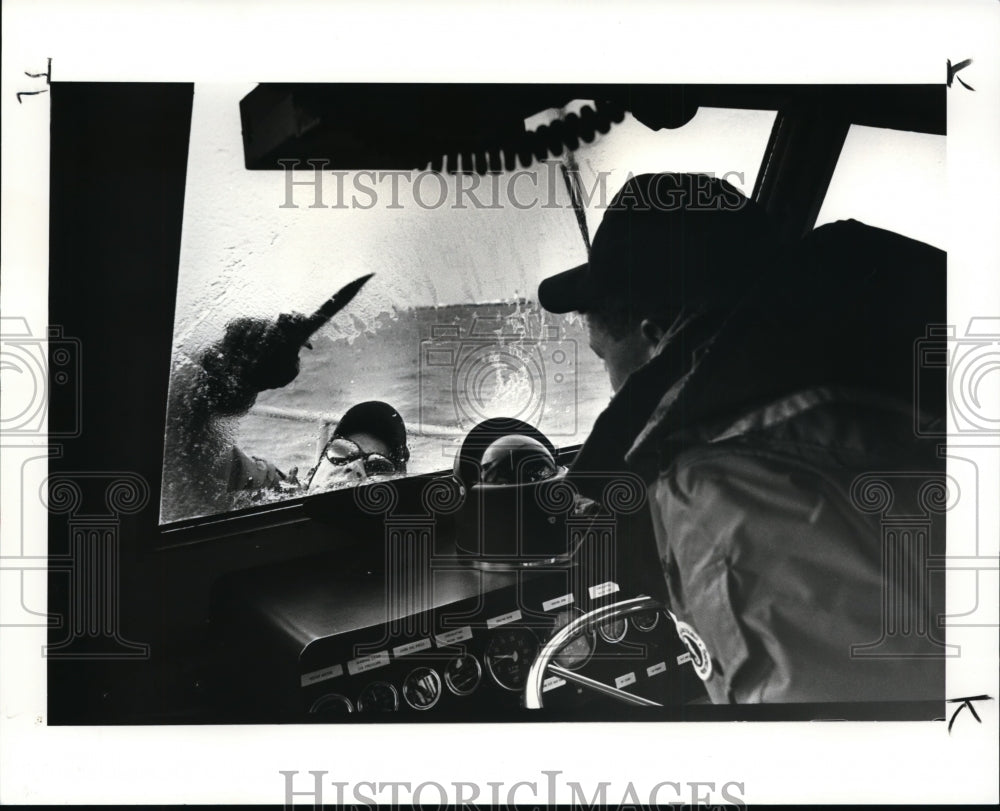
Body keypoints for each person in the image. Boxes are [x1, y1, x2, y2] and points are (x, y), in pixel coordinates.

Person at [538, 172, 946, 704]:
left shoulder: (717, 484)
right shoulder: (889, 388)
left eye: (603, 358)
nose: (612, 386)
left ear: (654, 334)